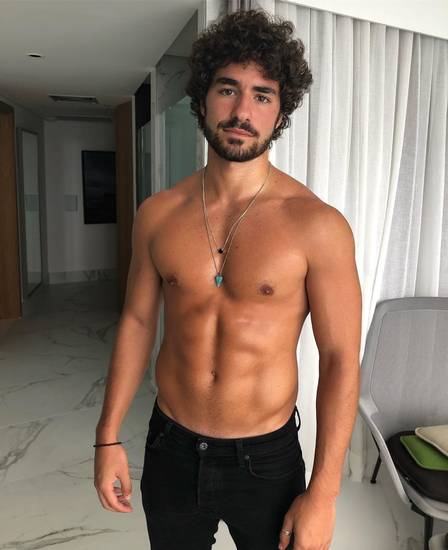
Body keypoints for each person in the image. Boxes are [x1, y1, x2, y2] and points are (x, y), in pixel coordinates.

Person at [94, 8, 362, 550]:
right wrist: (107, 437)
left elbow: (339, 359)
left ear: (280, 111)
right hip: (170, 446)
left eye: (262, 95)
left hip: (266, 459)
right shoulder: (158, 215)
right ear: (202, 98)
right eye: (228, 89)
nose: (242, 111)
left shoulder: (317, 225)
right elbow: (138, 321)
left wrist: (324, 494)